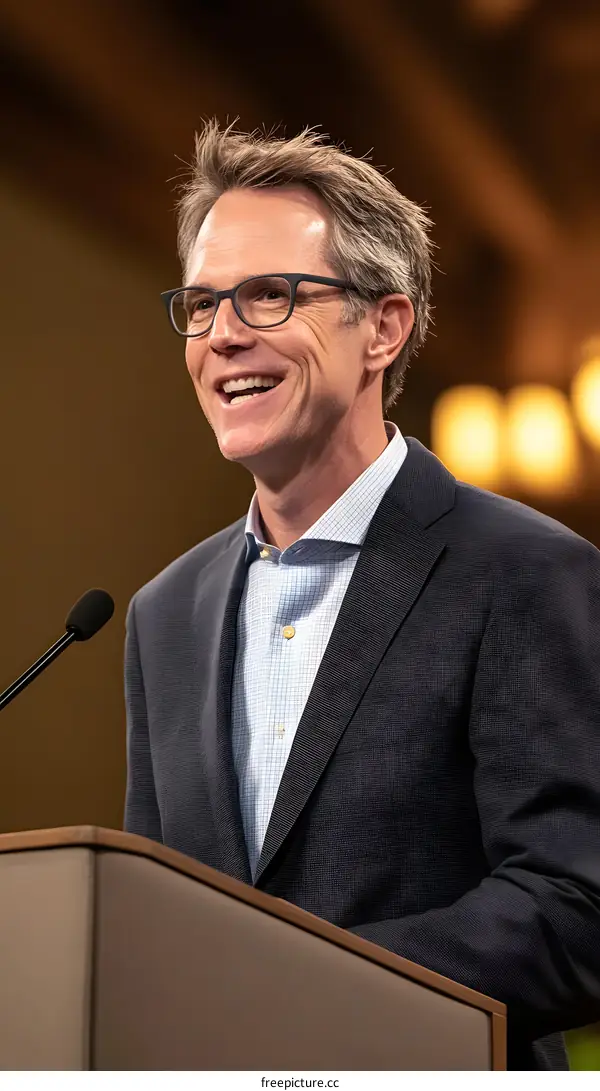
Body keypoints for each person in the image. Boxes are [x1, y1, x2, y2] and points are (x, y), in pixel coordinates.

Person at [124, 120, 600, 1070]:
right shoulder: (161, 614)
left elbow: (577, 904)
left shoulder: (527, 572)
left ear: (383, 327)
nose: (223, 334)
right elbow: (147, 916)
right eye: (203, 303)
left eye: (268, 295)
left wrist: (308, 984)